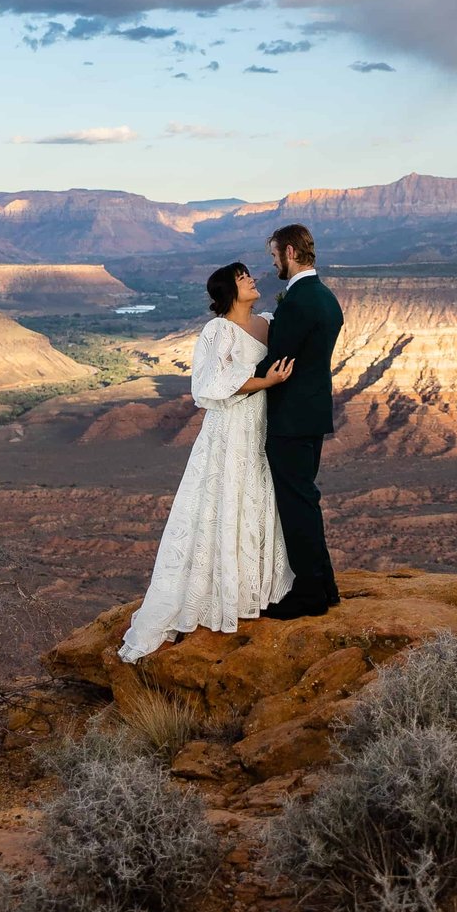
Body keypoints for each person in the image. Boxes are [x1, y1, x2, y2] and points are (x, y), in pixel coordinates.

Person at [118, 261, 297, 661]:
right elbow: (208, 384)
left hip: (261, 426)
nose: (251, 279)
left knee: (255, 499)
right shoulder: (217, 331)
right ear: (228, 291)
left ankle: (255, 589)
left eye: (249, 274)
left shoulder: (268, 322)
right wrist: (266, 381)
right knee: (223, 501)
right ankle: (218, 594)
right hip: (230, 427)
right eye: (241, 277)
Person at [259, 222, 343, 619]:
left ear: (290, 252)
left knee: (295, 505)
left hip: (290, 418)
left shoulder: (297, 302)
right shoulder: (327, 298)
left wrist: (235, 378)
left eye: (275, 254)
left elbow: (278, 360)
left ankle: (309, 593)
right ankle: (325, 585)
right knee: (306, 499)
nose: (273, 261)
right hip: (313, 414)